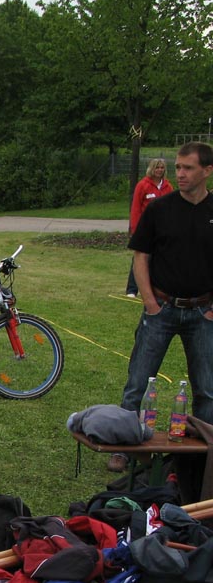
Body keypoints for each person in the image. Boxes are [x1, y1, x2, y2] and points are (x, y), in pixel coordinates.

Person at [116, 142, 213, 452]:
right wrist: (150, 303)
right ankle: (124, 448)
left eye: (188, 168)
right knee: (138, 382)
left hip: (203, 312)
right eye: (178, 167)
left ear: (207, 171)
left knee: (207, 389)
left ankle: (203, 455)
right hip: (162, 308)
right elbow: (140, 256)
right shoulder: (160, 209)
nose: (180, 174)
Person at [125, 158, 173, 297]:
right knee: (140, 257)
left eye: (162, 168)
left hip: (162, 229)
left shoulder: (168, 187)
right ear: (152, 169)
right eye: (157, 167)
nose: (159, 170)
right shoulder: (143, 185)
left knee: (159, 259)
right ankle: (132, 289)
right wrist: (135, 229)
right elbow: (136, 208)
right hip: (145, 228)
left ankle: (156, 288)